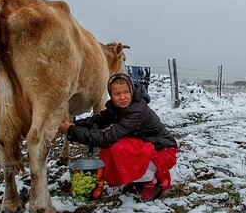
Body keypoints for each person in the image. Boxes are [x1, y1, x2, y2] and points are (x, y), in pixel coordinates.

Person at [58, 73, 178, 202]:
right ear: (111, 94)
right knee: (110, 150)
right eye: (117, 94)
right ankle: (139, 180)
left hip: (163, 152)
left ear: (131, 90)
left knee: (118, 148)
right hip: (148, 147)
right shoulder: (118, 107)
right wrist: (74, 124)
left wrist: (71, 130)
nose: (122, 97)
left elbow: (106, 139)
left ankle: (151, 182)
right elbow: (98, 121)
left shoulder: (137, 111)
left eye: (126, 92)